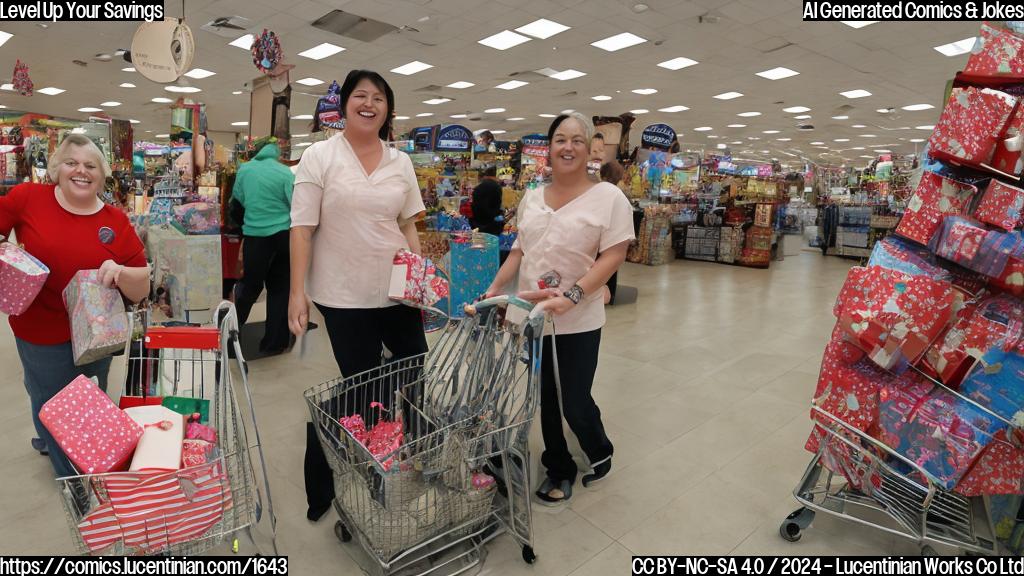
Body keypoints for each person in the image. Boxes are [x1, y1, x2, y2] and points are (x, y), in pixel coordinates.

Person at [288, 69, 428, 521]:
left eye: (379, 98)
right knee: (363, 387)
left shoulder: (399, 161)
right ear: (345, 104)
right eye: (360, 96)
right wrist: (296, 293)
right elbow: (302, 229)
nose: (370, 104)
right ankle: (329, 452)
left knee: (414, 371)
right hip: (342, 295)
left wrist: (419, 279)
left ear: (389, 109)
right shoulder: (320, 156)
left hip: (396, 293)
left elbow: (408, 225)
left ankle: (389, 452)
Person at [484, 113, 635, 504]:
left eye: (577, 141)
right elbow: (521, 249)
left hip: (578, 318)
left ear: (589, 150)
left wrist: (573, 296)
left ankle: (598, 447)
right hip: (532, 317)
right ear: (548, 149)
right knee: (544, 398)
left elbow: (614, 254)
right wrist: (496, 288)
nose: (568, 147)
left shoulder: (608, 198)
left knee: (574, 398)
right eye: (560, 140)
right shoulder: (532, 197)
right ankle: (559, 467)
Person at [0, 134, 151, 479]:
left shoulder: (114, 220)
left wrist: (121, 272)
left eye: (90, 165)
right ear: (56, 168)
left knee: (89, 405)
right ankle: (73, 480)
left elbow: (141, 284)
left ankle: (76, 458)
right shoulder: (27, 199)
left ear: (102, 175)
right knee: (52, 403)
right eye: (71, 162)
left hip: (97, 337)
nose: (80, 171)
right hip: (39, 331)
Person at [231, 141, 295, 355]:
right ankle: (274, 342)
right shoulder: (285, 173)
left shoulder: (245, 170)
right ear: (276, 155)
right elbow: (295, 204)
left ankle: (231, 335)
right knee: (279, 289)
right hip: (283, 236)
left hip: (255, 238)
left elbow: (237, 201)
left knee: (250, 286)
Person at [599, 160, 626, 305]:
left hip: (599, 235)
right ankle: (611, 294)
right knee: (612, 266)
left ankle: (600, 294)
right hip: (614, 237)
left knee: (598, 265)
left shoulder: (598, 190)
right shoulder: (618, 193)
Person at [470, 166, 504, 237]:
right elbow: (497, 204)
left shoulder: (478, 187)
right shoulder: (497, 187)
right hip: (490, 224)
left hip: (476, 222)